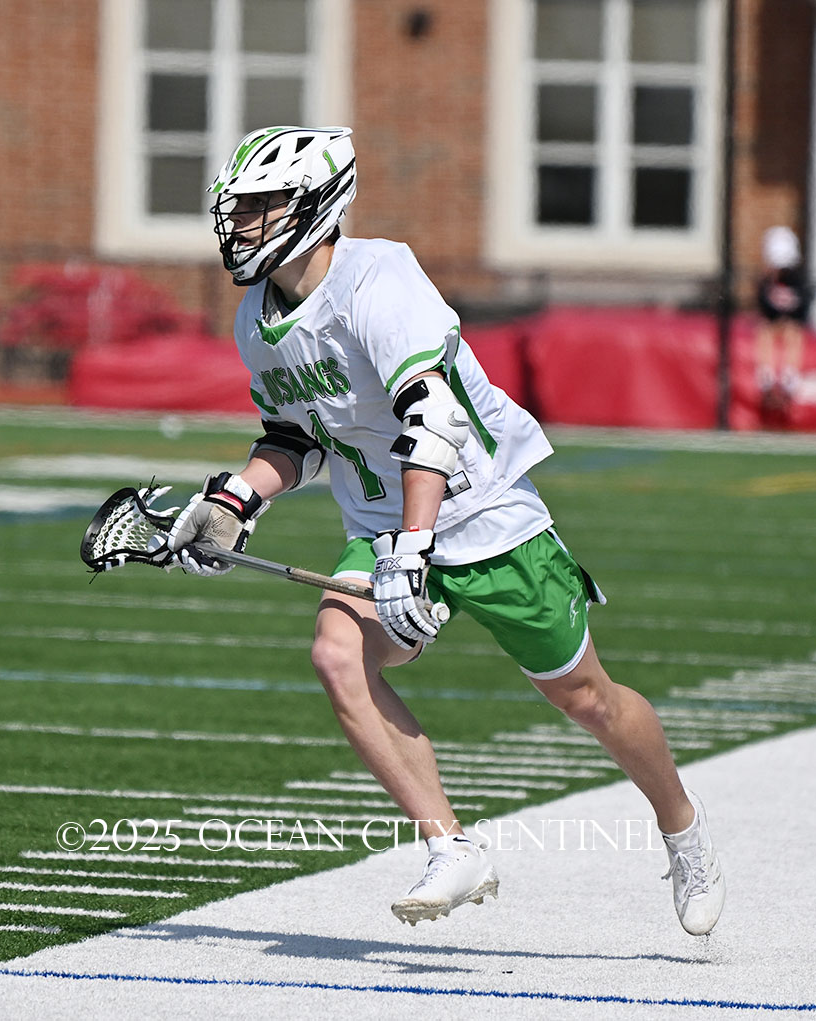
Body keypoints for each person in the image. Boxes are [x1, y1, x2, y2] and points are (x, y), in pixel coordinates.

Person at [167, 125, 725, 935]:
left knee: (586, 698)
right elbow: (294, 438)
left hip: (481, 512)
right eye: (240, 205)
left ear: (316, 205)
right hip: (382, 521)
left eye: (264, 204)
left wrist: (413, 551)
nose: (243, 221)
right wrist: (233, 503)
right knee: (337, 653)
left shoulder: (377, 279)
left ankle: (682, 825)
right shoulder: (257, 317)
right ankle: (450, 844)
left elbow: (433, 422)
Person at [755, 225, 810, 421]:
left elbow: (801, 309)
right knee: (765, 331)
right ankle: (767, 376)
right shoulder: (766, 281)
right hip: (774, 323)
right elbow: (764, 307)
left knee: (792, 332)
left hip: (791, 324)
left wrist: (787, 318)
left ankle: (789, 376)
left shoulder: (798, 281)